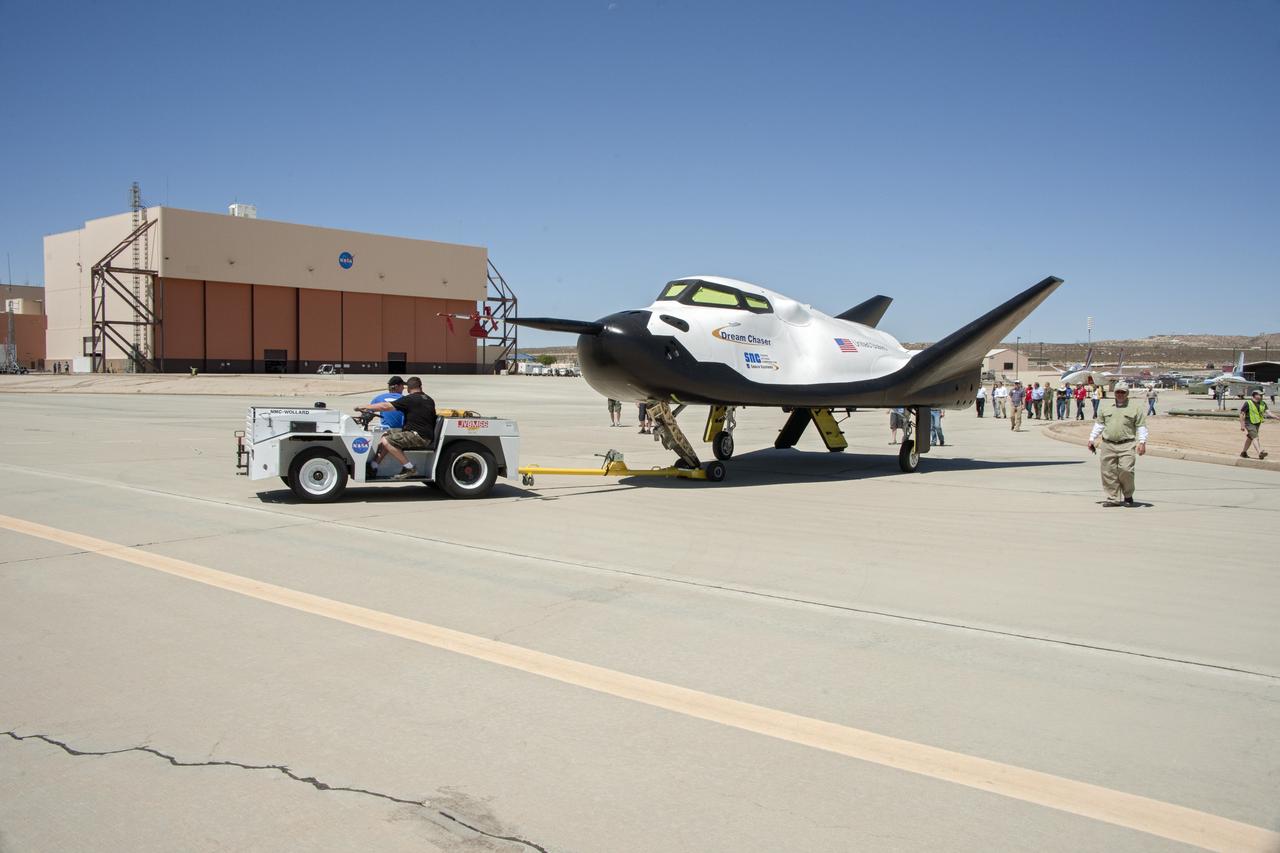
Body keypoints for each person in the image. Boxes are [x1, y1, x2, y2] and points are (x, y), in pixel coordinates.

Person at [355, 376, 437, 480]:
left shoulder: (409, 399)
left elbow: (385, 406)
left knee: (386, 440)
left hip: (418, 436)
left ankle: (409, 468)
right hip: (424, 435)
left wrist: (364, 407)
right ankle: (374, 466)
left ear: (408, 388)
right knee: (388, 436)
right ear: (421, 387)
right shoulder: (429, 399)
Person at [1087, 382, 1148, 507]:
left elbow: (1141, 426)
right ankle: (1112, 498)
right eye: (1118, 392)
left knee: (1126, 470)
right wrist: (1091, 438)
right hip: (1108, 444)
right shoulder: (1106, 407)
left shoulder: (1135, 408)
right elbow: (1099, 424)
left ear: (1127, 393)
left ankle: (1128, 495)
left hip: (1127, 444)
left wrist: (1142, 442)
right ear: (1114, 393)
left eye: (1123, 392)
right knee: (1108, 472)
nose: (1120, 394)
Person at [366, 376, 406, 468]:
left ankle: (374, 464)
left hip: (384, 429)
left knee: (385, 438)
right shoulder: (405, 399)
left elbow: (368, 414)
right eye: (402, 386)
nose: (403, 388)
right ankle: (374, 465)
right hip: (401, 431)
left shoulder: (379, 398)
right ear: (397, 386)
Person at [1239, 389, 1275, 459]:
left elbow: (1269, 412)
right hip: (1249, 423)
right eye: (1260, 395)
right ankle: (1260, 453)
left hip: (1257, 423)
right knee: (1255, 437)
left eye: (1262, 395)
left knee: (1250, 438)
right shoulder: (1248, 403)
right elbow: (1241, 414)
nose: (1261, 396)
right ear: (1255, 395)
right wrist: (1242, 425)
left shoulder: (1263, 403)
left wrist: (1276, 417)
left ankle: (1243, 453)